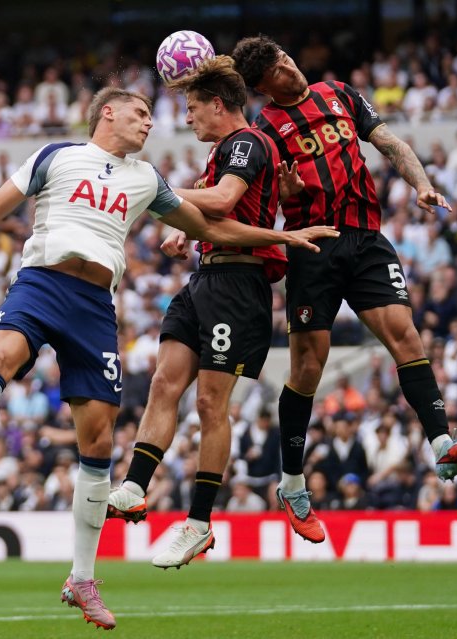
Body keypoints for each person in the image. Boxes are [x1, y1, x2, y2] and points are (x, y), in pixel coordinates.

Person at [0, 87, 335, 630]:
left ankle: (82, 579)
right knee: (3, 352)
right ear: (107, 112)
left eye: (152, 117)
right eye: (141, 113)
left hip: (95, 306)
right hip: (41, 281)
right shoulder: (55, 156)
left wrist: (282, 237)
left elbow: (211, 228)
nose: (150, 124)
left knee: (100, 440)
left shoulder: (146, 179)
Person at [231, 35, 457, 544]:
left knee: (406, 337)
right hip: (313, 245)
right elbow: (258, 195)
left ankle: (442, 445)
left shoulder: (340, 94)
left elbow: (390, 142)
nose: (291, 67)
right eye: (279, 69)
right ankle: (292, 484)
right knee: (308, 367)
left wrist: (421, 184)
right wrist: (284, 194)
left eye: (287, 56)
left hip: (367, 239)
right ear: (263, 86)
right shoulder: (263, 130)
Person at [106, 58, 334, 568]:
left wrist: (157, 192)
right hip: (205, 278)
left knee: (211, 404)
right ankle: (135, 487)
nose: (188, 119)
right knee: (165, 383)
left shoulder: (247, 142)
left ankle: (199, 522)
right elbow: (222, 206)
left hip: (240, 284)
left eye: (191, 109)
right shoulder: (223, 153)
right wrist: (184, 227)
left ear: (217, 105)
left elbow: (226, 198)